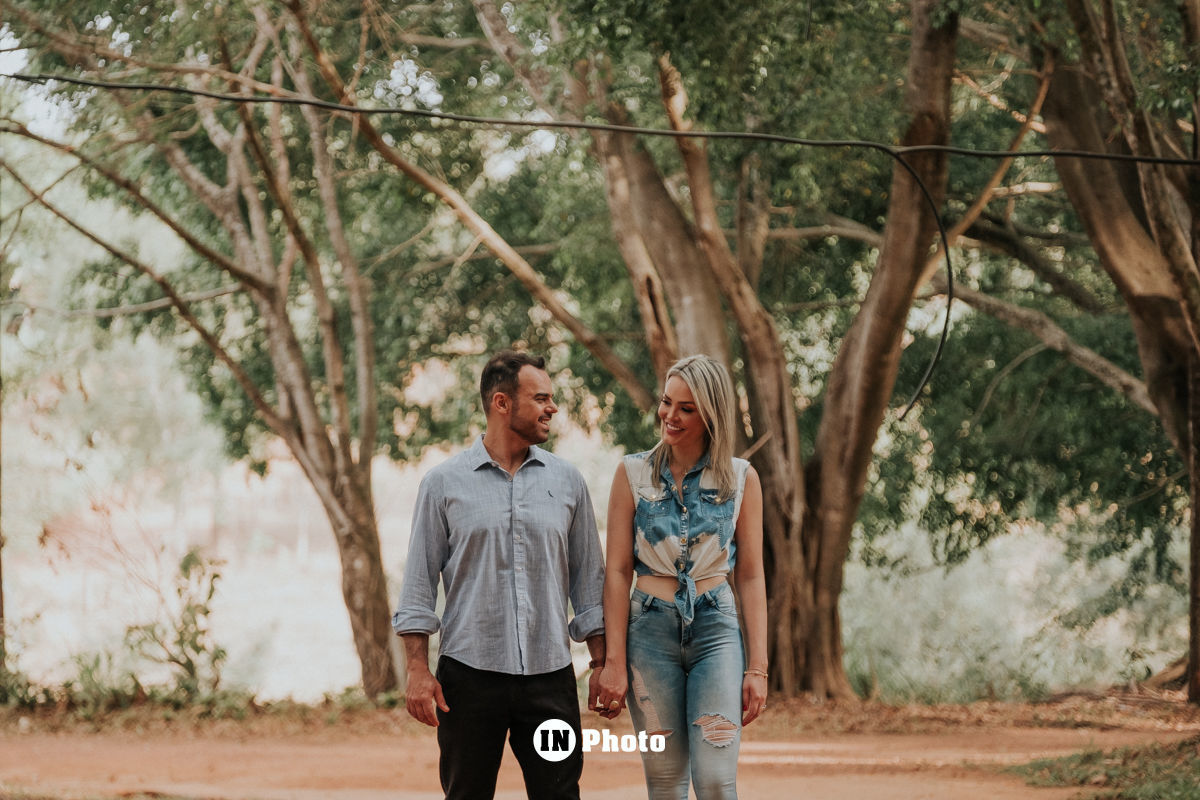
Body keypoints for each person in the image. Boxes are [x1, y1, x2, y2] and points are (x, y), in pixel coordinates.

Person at [393, 350, 607, 800]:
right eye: (541, 398)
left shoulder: (568, 482)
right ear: (502, 403)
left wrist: (603, 663)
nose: (552, 408)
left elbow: (589, 583)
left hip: (550, 678)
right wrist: (417, 667)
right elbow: (417, 586)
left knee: (560, 796)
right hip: (469, 679)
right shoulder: (443, 484)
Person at [595, 354, 768, 800]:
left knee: (715, 780)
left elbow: (749, 575)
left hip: (716, 630)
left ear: (711, 414)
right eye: (667, 402)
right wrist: (614, 661)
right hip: (648, 633)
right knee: (667, 785)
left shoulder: (742, 479)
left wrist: (759, 668)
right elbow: (616, 572)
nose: (670, 416)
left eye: (686, 408)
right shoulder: (631, 474)